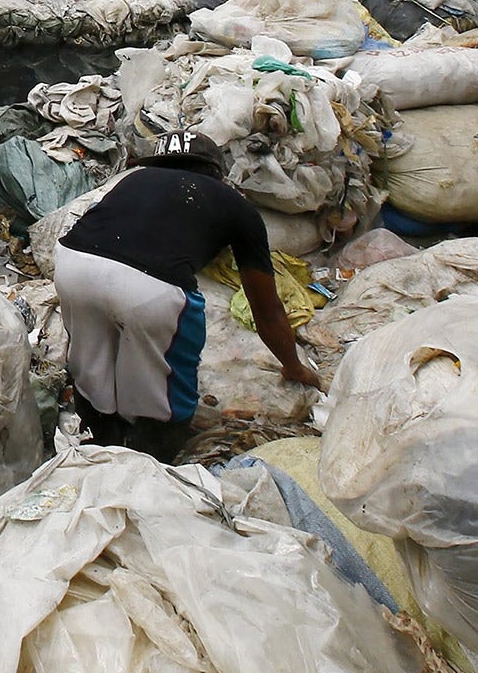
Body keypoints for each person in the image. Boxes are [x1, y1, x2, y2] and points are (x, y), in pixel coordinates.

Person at [53, 132, 318, 462]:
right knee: (164, 398)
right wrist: (294, 367)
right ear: (215, 171)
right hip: (150, 288)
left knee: (92, 371)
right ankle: (152, 465)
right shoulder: (235, 205)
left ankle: (97, 451)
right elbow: (266, 310)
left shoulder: (135, 181)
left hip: (72, 263)